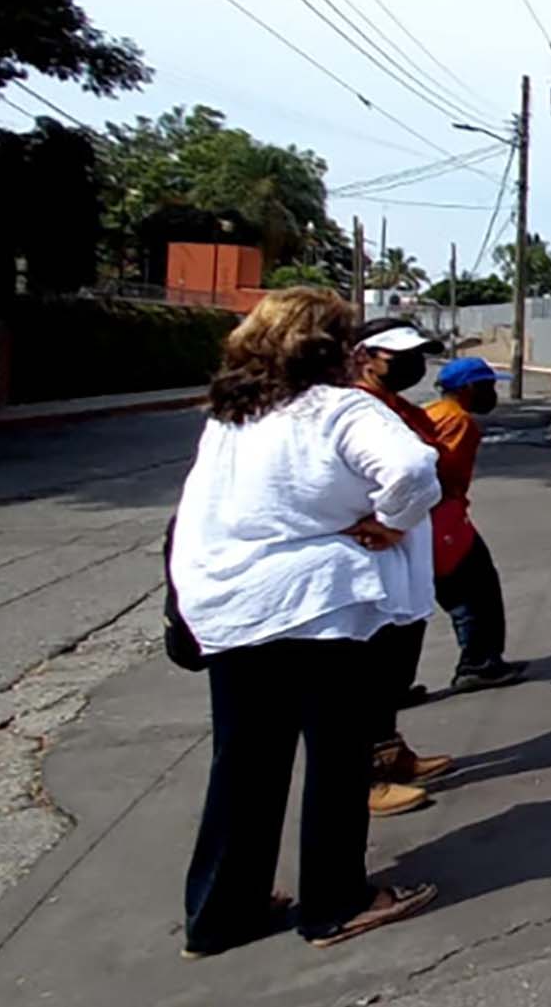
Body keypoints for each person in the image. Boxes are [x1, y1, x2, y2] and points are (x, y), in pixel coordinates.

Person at [170, 288, 440, 955]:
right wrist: (392, 522)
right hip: (319, 607)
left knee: (244, 763)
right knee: (337, 758)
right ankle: (335, 900)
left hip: (233, 606)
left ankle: (220, 912)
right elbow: (411, 469)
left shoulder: (231, 415)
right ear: (333, 347)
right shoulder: (338, 407)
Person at [350, 319, 455, 809]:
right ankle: (367, 776)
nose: (412, 364)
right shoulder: (356, 410)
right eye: (398, 356)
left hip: (410, 553)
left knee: (396, 665)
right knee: (367, 672)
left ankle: (391, 752)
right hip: (373, 556)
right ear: (364, 357)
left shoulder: (402, 409)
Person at [423, 358, 526, 693]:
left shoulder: (433, 411)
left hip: (435, 519)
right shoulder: (458, 422)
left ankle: (484, 660)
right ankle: (478, 664)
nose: (492, 393)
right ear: (469, 388)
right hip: (442, 520)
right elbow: (441, 474)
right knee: (473, 592)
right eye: (488, 386)